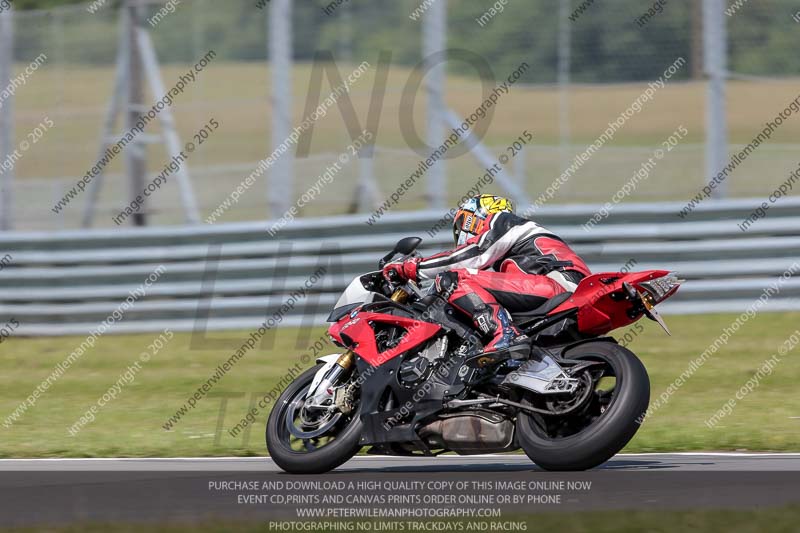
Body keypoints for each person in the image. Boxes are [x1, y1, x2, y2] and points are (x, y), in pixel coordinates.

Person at [382, 194, 591, 358]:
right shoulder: (512, 251)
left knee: (454, 278)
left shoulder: (505, 221)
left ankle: (505, 334)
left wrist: (412, 268)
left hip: (557, 286)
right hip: (560, 296)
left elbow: (471, 256)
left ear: (475, 216)